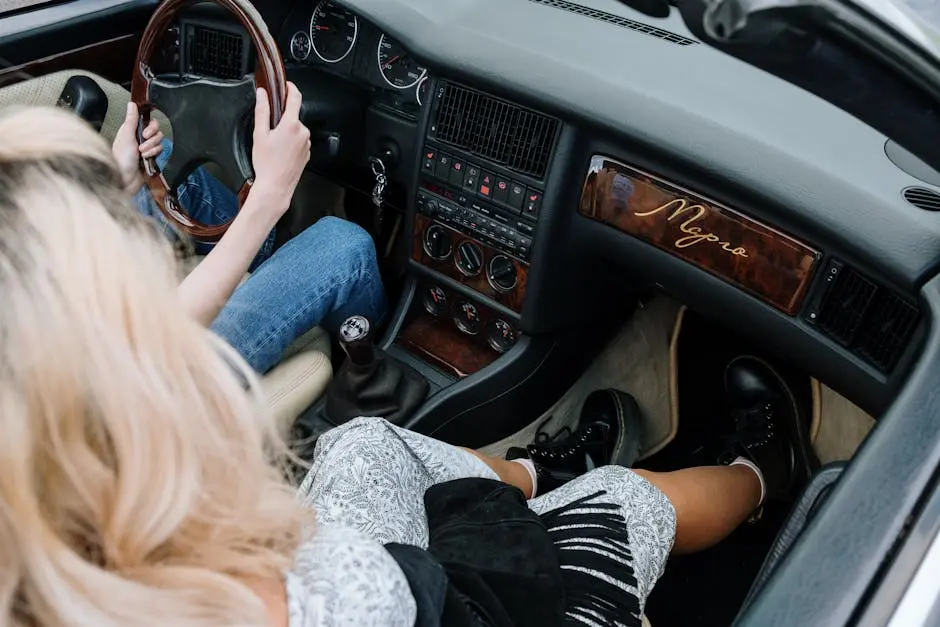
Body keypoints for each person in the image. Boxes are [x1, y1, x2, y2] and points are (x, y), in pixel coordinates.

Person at [0, 106, 813, 627]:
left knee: (361, 445)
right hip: (446, 603)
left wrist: (118, 178)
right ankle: (764, 473)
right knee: (622, 502)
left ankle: (540, 467)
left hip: (377, 570)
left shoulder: (51, 546)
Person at [110, 82, 387, 374]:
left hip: (110, 320)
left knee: (158, 161)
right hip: (155, 378)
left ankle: (265, 258)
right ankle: (371, 358)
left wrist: (121, 185)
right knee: (343, 244)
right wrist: (270, 192)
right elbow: (160, 341)